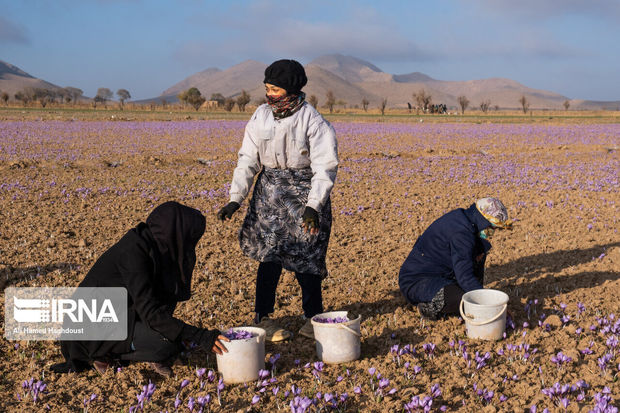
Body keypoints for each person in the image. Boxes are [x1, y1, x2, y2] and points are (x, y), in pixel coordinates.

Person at [217, 59, 338, 341]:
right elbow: (247, 158)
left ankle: (312, 317)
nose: (269, 94)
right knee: (268, 255)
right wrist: (236, 197)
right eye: (267, 88)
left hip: (304, 195)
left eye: (275, 89)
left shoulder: (313, 120)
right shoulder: (260, 116)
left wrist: (313, 206)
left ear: (291, 89)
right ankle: (264, 318)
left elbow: (325, 166)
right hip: (270, 194)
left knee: (307, 257)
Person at [50, 201, 228, 376]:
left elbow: (154, 304)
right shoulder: (133, 253)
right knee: (165, 345)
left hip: (115, 315)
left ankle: (127, 347)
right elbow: (152, 314)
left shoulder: (152, 247)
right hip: (90, 329)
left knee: (173, 336)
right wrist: (201, 336)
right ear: (175, 234)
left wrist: (184, 332)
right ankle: (103, 353)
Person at [399, 198, 513, 320]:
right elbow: (465, 276)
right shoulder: (462, 234)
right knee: (464, 300)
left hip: (440, 275)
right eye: (492, 227)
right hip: (417, 281)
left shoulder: (466, 219)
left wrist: (478, 292)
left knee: (480, 252)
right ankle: (429, 307)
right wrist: (486, 303)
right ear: (483, 220)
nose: (491, 233)